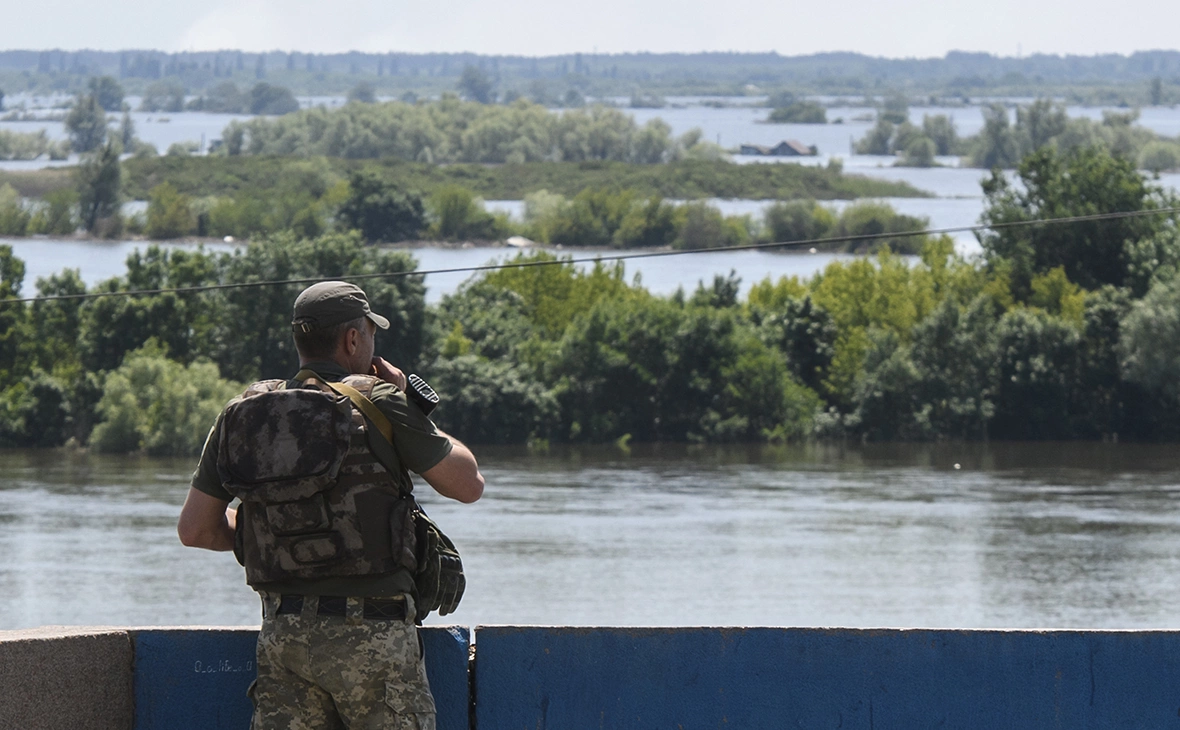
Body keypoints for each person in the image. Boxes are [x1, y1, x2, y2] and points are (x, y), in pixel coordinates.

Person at [177, 280, 484, 730]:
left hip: (285, 636)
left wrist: (262, 528)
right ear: (353, 338)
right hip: (375, 637)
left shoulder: (244, 412)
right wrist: (411, 405)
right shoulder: (379, 401)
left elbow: (196, 530)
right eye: (371, 333)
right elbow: (468, 484)